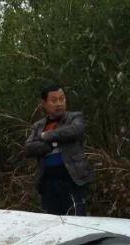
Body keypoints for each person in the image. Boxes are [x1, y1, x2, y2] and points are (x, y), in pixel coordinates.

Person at [24, 84, 95, 215]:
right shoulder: (38, 126)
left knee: (76, 219)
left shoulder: (74, 118)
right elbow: (29, 148)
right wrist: (52, 144)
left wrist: (46, 136)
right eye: (54, 100)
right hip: (47, 180)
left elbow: (74, 131)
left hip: (72, 178)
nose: (59, 103)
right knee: (52, 221)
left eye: (62, 99)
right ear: (44, 103)